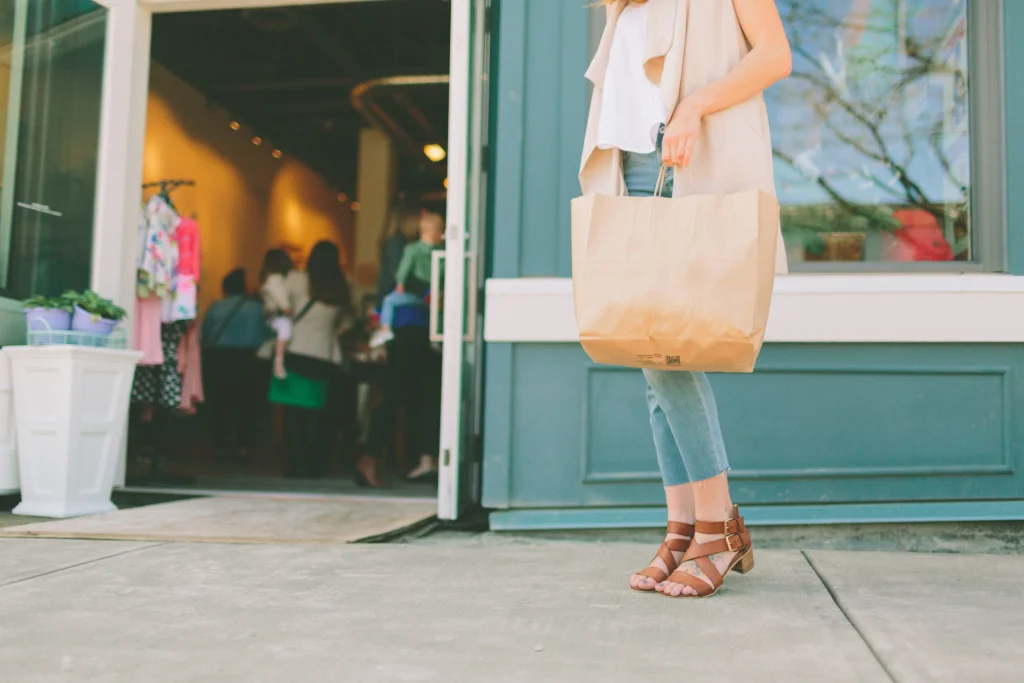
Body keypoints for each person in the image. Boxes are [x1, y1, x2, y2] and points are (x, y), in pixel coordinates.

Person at [584, 0, 791, 598]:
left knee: (666, 351)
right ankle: (684, 529)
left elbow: (775, 55)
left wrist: (695, 105)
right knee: (650, 351)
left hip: (688, 159)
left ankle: (716, 526)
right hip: (630, 167)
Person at [273, 241, 352, 478]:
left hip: (296, 349)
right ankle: (313, 464)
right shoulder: (341, 285)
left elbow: (279, 308)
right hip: (323, 354)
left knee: (294, 412)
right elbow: (346, 322)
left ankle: (294, 464)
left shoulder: (296, 279)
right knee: (316, 411)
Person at [201, 268, 272, 460]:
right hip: (250, 359)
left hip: (220, 358)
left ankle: (220, 446)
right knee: (248, 404)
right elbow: (268, 334)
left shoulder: (216, 307)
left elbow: (205, 333)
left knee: (220, 403)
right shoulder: (258, 308)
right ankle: (244, 446)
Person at [370, 211, 445, 348]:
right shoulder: (442, 251)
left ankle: (385, 329)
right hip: (433, 292)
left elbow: (403, 270)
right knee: (438, 312)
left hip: (416, 297)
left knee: (389, 301)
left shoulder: (412, 249)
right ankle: (437, 337)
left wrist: (400, 284)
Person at [260, 249, 296, 380]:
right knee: (284, 327)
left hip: (275, 316)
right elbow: (284, 304)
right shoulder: (275, 280)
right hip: (277, 316)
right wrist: (290, 311)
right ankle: (278, 362)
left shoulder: (274, 279)